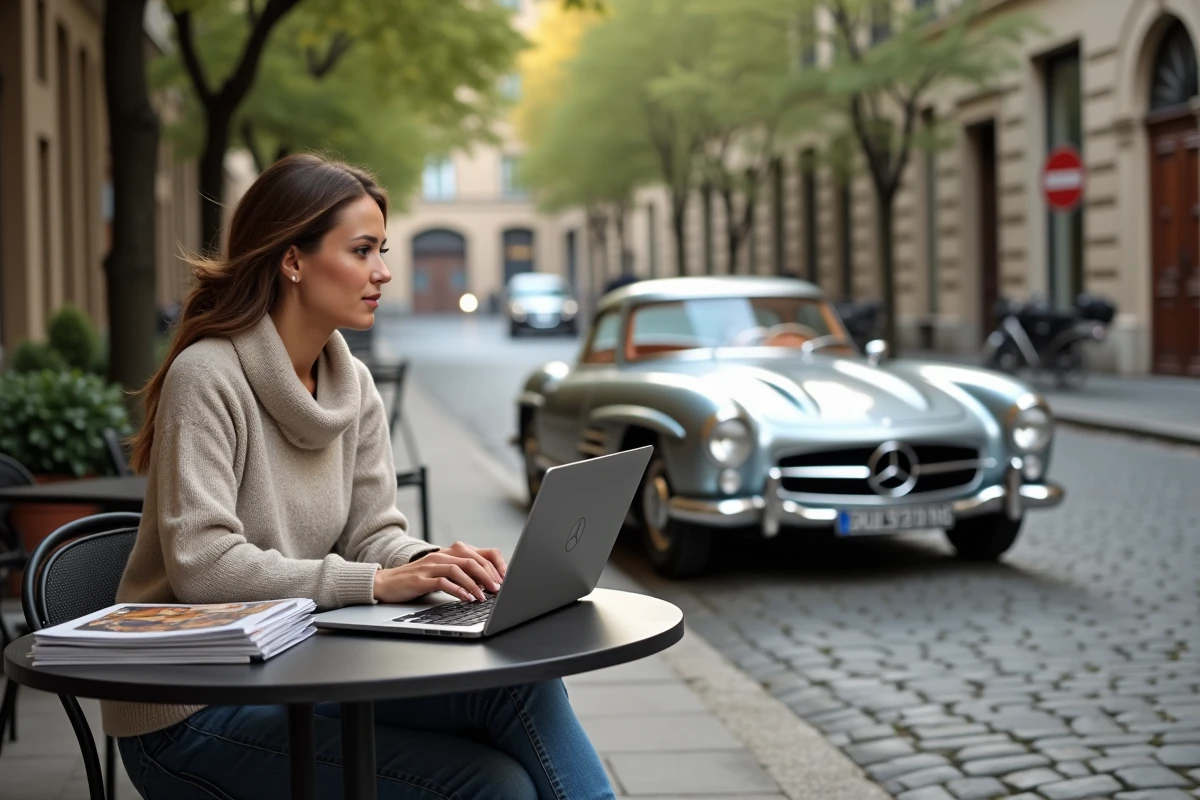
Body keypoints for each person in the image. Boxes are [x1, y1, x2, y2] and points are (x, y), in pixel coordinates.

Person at [105, 153, 615, 800]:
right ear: (293, 261)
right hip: (195, 708)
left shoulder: (353, 385)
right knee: (495, 788)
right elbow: (203, 566)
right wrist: (375, 583)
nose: (384, 271)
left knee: (519, 688)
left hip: (304, 671)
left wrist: (435, 565)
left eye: (383, 248)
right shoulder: (207, 378)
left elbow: (375, 536)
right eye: (363, 250)